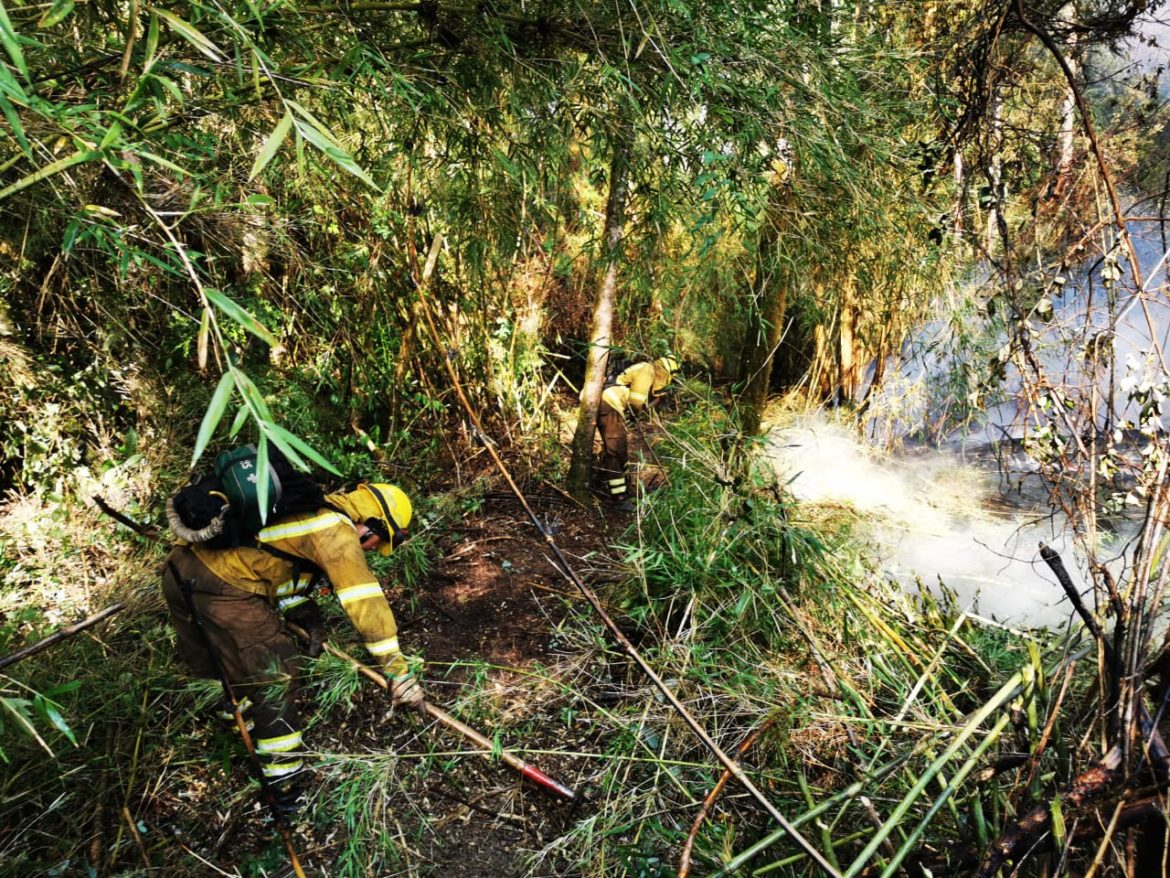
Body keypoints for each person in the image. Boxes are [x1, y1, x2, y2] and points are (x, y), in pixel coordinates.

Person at [162, 482, 423, 811]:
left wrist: (304, 612)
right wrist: (397, 671)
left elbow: (270, 559)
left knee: (216, 665)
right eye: (380, 541)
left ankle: (245, 727)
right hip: (221, 586)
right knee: (276, 672)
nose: (372, 549)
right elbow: (365, 602)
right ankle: (283, 782)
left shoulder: (309, 510)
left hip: (179, 568)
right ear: (371, 522)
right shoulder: (335, 531)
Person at [593, 355, 678, 510]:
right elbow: (636, 401)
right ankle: (619, 498)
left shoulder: (648, 370)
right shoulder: (647, 369)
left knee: (620, 453)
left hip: (614, 408)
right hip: (610, 405)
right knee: (615, 452)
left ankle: (624, 491)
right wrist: (634, 415)